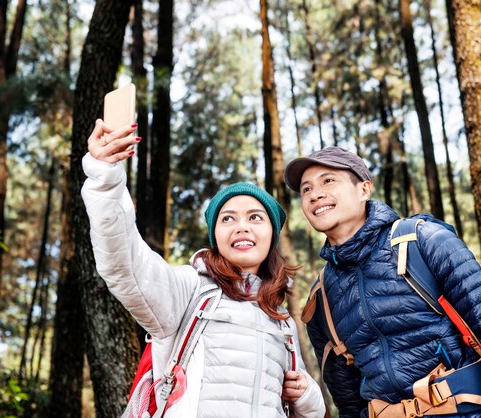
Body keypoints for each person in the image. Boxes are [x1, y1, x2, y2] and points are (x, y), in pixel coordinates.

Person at [81, 119, 326, 418]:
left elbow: (300, 407)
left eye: (255, 218)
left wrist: (309, 397)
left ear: (271, 236)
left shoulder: (281, 319)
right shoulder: (189, 289)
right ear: (215, 237)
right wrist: (105, 176)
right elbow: (125, 264)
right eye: (228, 219)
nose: (241, 227)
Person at [283, 146, 481, 418]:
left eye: (328, 180)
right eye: (306, 189)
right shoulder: (322, 298)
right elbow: (349, 404)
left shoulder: (423, 241)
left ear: (364, 190)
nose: (315, 194)